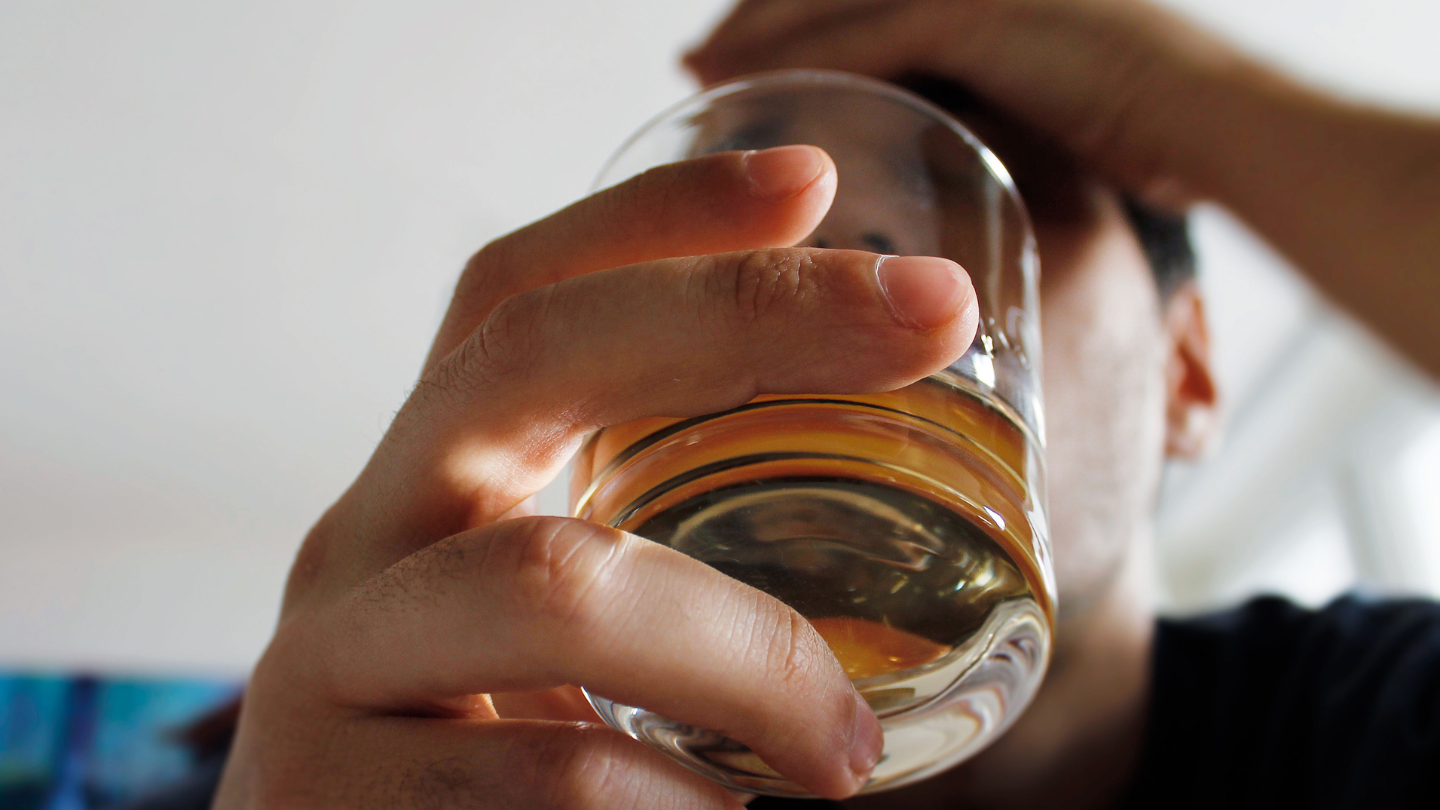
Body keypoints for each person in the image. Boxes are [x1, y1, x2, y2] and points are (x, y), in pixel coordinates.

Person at [123, 0, 1440, 808]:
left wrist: (1163, 82)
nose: (849, 274)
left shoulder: (1378, 717)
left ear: (1190, 375)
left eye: (996, 206)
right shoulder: (423, 771)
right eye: (779, 240)